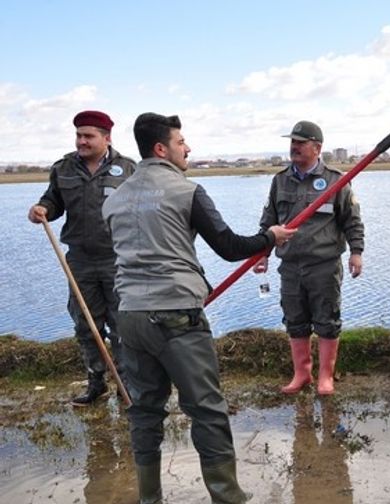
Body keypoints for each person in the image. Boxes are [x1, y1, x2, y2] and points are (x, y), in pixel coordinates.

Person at [102, 112, 295, 504]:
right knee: (207, 410)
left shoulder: (115, 198)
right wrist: (269, 237)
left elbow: (136, 253)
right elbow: (228, 246)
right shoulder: (187, 191)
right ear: (161, 148)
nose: (188, 148)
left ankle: (149, 499)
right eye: (181, 141)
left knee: (144, 412)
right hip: (177, 317)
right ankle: (228, 498)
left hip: (130, 317)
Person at [27, 110, 136, 406]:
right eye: (79, 135)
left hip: (118, 260)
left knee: (122, 325)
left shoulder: (128, 169)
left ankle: (127, 386)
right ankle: (96, 383)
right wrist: (42, 209)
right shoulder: (63, 168)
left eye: (89, 136)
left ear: (107, 138)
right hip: (80, 261)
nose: (82, 141)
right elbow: (53, 201)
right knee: (86, 325)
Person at [254, 120, 364, 396]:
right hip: (290, 265)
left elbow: (352, 221)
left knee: (327, 320)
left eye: (300, 143)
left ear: (317, 147)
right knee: (295, 319)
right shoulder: (280, 181)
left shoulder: (335, 181)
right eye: (292, 142)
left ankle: (325, 377)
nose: (294, 147)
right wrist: (262, 253)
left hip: (324, 265)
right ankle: (301, 374)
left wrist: (357, 252)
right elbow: (268, 222)